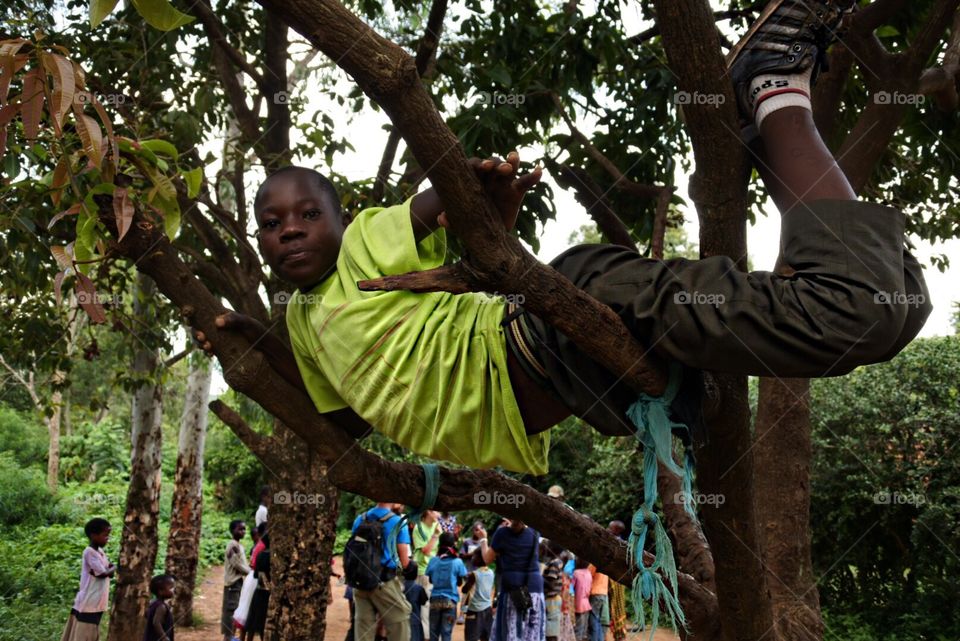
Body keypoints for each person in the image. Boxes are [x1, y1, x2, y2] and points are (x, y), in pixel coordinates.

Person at [197, 0, 930, 480]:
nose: (288, 229)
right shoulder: (305, 323)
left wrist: (476, 188)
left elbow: (436, 198)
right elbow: (343, 417)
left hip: (556, 314)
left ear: (339, 218)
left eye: (305, 215)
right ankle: (771, 125)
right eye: (271, 222)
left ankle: (773, 91)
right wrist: (252, 341)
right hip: (580, 382)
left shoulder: (364, 246)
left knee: (861, 309)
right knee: (882, 306)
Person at [351, 502, 413, 641]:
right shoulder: (398, 522)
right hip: (383, 582)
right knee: (400, 619)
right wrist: (410, 569)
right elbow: (405, 562)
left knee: (363, 626)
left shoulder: (360, 519)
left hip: (360, 581)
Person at [477, 520, 544, 641]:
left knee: (511, 632)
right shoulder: (535, 532)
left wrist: (483, 539)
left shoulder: (502, 533)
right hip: (534, 588)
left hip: (513, 591)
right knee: (532, 633)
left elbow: (487, 559)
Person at [61, 518, 116, 641]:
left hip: (98, 598)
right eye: (105, 535)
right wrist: (113, 568)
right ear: (93, 535)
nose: (107, 538)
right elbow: (102, 573)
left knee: (93, 626)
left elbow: (108, 573)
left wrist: (110, 570)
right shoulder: (89, 552)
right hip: (90, 598)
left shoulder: (100, 552)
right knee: (85, 628)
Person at [425, 533, 468, 641]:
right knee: (446, 633)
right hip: (450, 600)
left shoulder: (433, 560)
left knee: (433, 632)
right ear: (453, 544)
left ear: (440, 543)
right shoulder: (457, 562)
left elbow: (430, 579)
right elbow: (460, 582)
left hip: (435, 600)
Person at [412, 509, 441, 638]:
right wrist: (435, 535)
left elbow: (440, 549)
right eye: (436, 511)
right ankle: (426, 636)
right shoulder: (419, 528)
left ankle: (427, 635)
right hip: (422, 572)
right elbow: (426, 551)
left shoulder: (437, 526)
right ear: (428, 512)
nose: (439, 514)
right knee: (423, 605)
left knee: (429, 605)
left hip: (434, 571)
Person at [222, 520, 251, 641]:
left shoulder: (239, 545)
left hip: (237, 584)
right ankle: (228, 638)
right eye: (240, 529)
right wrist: (251, 573)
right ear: (232, 530)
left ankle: (231, 637)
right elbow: (237, 564)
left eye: (244, 529)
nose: (243, 532)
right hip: (233, 585)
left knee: (235, 613)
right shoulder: (232, 545)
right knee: (231, 613)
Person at [462, 549, 495, 641]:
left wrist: (467, 579)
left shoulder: (474, 574)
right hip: (487, 609)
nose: (472, 558)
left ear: (481, 559)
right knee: (485, 636)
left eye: (475, 556)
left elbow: (465, 590)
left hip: (474, 610)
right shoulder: (491, 572)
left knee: (471, 636)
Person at [244, 530, 271, 641]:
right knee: (264, 623)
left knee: (253, 622)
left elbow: (256, 575)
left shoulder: (260, 555)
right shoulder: (273, 556)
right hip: (268, 593)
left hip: (259, 591)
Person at [605, 521, 629, 641]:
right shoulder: (614, 542)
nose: (607, 529)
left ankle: (620, 634)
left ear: (617, 531)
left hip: (616, 580)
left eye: (610, 528)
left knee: (617, 605)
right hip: (609, 579)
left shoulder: (620, 544)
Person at [541, 541, 564, 641]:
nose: (546, 548)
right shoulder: (558, 561)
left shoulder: (554, 563)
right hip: (553, 599)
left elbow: (551, 584)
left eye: (548, 546)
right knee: (550, 627)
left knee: (550, 630)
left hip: (551, 599)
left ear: (552, 549)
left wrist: (538, 576)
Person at [143, 575, 176, 641]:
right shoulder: (161, 606)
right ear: (160, 591)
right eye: (171, 588)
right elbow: (156, 622)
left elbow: (147, 615)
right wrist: (164, 637)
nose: (174, 590)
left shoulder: (153, 603)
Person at [402, 561, 429, 641]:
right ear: (416, 574)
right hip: (415, 621)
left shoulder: (400, 588)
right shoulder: (419, 588)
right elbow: (424, 602)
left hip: (402, 619)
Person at [571, 558, 592, 641]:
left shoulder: (576, 573)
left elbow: (571, 588)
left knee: (578, 630)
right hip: (587, 604)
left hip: (578, 604)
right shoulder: (589, 573)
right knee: (584, 630)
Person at [586, 564, 608, 641]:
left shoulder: (594, 564)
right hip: (604, 594)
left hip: (595, 593)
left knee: (593, 621)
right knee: (598, 622)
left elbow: (587, 576)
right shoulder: (606, 564)